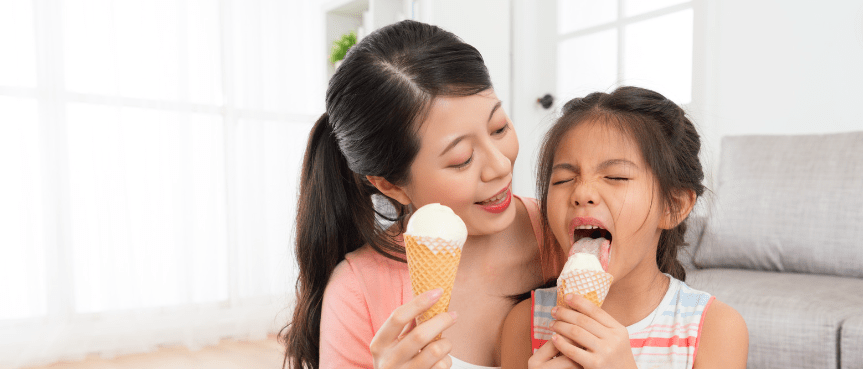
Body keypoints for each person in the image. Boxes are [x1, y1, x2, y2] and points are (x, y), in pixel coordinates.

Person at [283, 20, 564, 369]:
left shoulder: (566, 233)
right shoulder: (359, 292)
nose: (500, 165)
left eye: (499, 127)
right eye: (462, 159)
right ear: (391, 185)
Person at [500, 86, 749, 369]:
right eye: (563, 179)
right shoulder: (525, 323)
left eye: (616, 177)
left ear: (673, 206)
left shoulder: (714, 329)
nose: (582, 192)